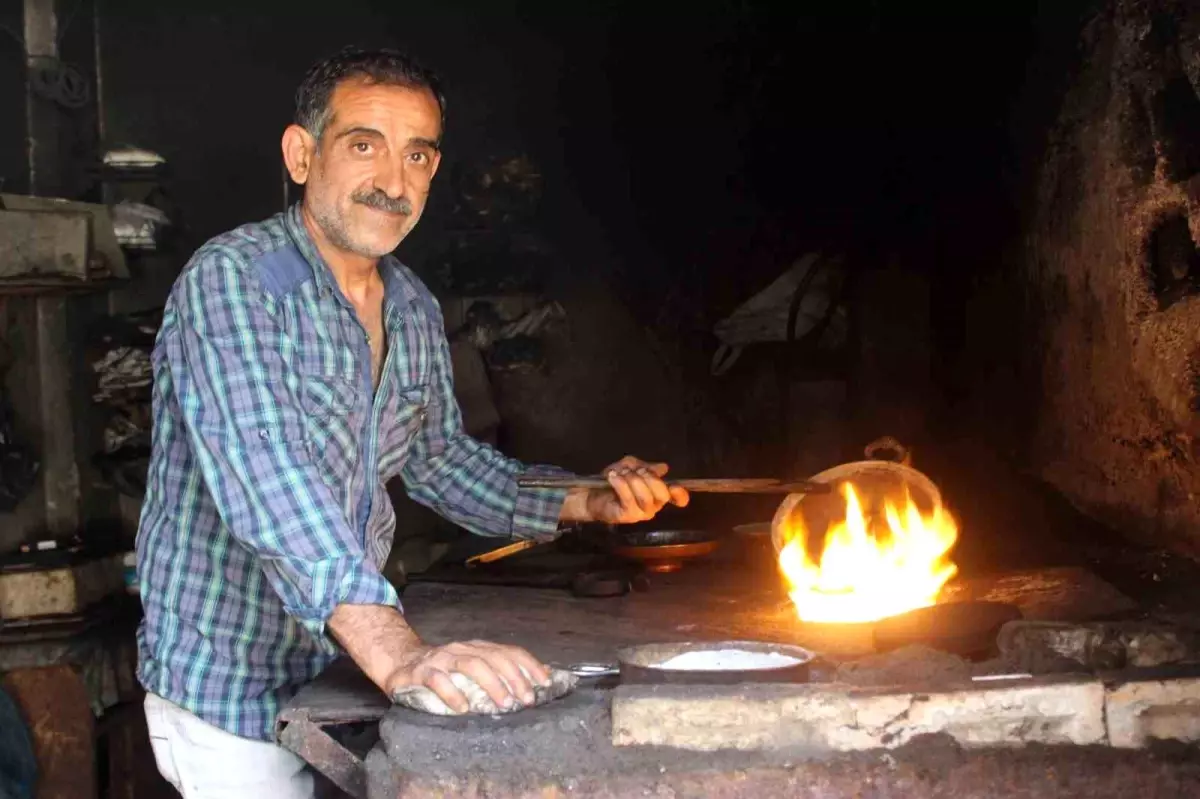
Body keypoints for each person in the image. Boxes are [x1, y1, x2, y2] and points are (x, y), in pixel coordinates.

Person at [136, 45, 689, 798]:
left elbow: (439, 460)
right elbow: (269, 480)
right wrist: (400, 654)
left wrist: (586, 497)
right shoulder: (234, 283)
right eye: (363, 146)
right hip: (233, 688)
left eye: (418, 156)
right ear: (302, 155)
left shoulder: (412, 305)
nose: (394, 183)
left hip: (342, 675)